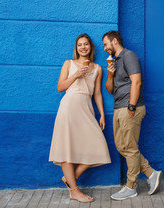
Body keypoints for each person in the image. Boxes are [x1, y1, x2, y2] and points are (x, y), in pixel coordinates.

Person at [49, 34, 111, 203]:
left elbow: (97, 93)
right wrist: (76, 75)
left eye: (86, 45)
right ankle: (74, 191)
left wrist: (102, 114)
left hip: (86, 109)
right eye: (79, 45)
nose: (83, 47)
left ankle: (70, 179)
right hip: (69, 107)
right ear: (76, 49)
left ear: (91, 47)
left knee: (98, 145)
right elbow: (60, 87)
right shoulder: (68, 64)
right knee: (66, 148)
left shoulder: (98, 68)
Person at [102, 31, 162, 200]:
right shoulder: (115, 61)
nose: (105, 48)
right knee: (123, 146)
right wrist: (111, 73)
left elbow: (137, 81)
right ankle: (151, 173)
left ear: (114, 41)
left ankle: (131, 186)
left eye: (106, 44)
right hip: (118, 107)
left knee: (129, 147)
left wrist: (131, 106)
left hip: (130, 108)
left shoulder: (129, 56)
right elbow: (109, 89)